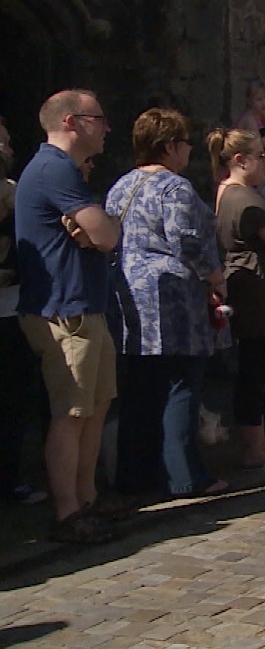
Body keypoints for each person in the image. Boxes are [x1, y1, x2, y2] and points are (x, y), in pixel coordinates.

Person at [107, 108, 229, 500]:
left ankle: (135, 476)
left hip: (131, 298)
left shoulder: (121, 186)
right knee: (181, 385)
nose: (189, 150)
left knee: (141, 390)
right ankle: (185, 475)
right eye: (185, 143)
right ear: (170, 146)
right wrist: (215, 277)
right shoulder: (174, 188)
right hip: (173, 299)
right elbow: (187, 242)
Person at [16, 89, 122, 542]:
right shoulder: (55, 168)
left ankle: (87, 499)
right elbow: (106, 233)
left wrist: (100, 229)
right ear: (72, 122)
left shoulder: (63, 170)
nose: (106, 128)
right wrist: (99, 228)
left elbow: (103, 233)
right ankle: (67, 512)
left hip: (83, 305)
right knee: (72, 413)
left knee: (94, 409)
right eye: (99, 118)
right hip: (64, 311)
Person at [209, 127, 265, 471]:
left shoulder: (227, 192)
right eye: (261, 156)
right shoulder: (245, 199)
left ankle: (256, 443)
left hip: (251, 287)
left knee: (252, 370)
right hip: (257, 293)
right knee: (255, 371)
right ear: (239, 160)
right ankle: (254, 449)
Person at [0, 115, 50, 506]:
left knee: (14, 399)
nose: (7, 151)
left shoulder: (19, 192)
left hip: (12, 310)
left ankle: (11, 476)